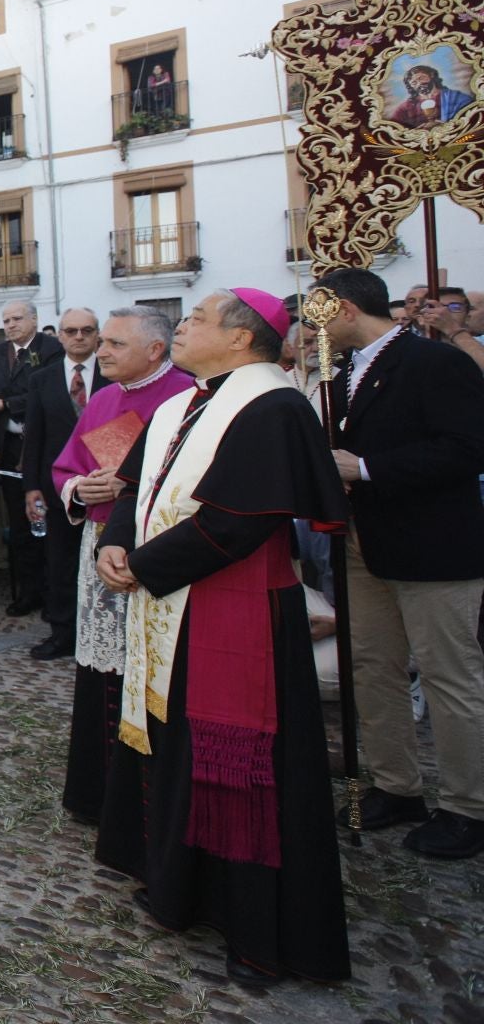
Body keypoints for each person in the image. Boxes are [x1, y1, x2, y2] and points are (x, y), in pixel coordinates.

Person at [95, 289, 350, 986]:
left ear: (242, 339)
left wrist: (141, 568)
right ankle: (182, 887)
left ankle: (256, 929)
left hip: (233, 610)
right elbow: (131, 490)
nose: (182, 327)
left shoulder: (272, 406)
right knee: (176, 744)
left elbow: (236, 524)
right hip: (167, 598)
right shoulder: (181, 404)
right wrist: (115, 547)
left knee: (238, 765)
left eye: (197, 319)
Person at [313, 267, 484, 859]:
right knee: (371, 666)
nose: (313, 328)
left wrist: (365, 469)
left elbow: (466, 449)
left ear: (345, 309)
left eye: (318, 312)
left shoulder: (435, 364)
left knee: (448, 675)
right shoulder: (344, 375)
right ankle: (395, 784)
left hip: (434, 544)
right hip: (366, 541)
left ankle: (469, 806)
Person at [48, 306, 191, 826]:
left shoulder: (186, 394)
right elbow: (70, 466)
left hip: (155, 546)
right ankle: (97, 789)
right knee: (103, 666)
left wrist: (128, 487)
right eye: (100, 342)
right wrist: (78, 488)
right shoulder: (106, 399)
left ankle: (149, 796)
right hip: (100, 539)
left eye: (113, 344)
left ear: (155, 349)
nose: (100, 352)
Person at [20, 308, 102, 659]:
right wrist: (31, 487)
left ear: (97, 334)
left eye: (86, 330)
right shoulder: (43, 378)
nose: (79, 337)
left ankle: (101, 631)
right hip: (57, 486)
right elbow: (34, 436)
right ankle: (62, 633)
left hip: (106, 484)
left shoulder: (115, 375)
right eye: (71, 331)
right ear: (61, 336)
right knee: (60, 562)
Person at [0, 300, 62, 615]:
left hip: (42, 448)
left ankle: (52, 592)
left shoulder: (52, 349)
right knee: (19, 526)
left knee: (47, 522)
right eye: (5, 320)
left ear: (33, 319)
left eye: (16, 319)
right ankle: (27, 592)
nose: (10, 325)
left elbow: (48, 392)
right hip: (9, 448)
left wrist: (7, 404)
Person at [387, 64, 474, 129]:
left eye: (421, 78)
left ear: (431, 75)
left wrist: (445, 125)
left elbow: (471, 114)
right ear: (411, 87)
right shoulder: (406, 107)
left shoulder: (454, 97)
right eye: (414, 83)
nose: (419, 83)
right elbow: (393, 129)